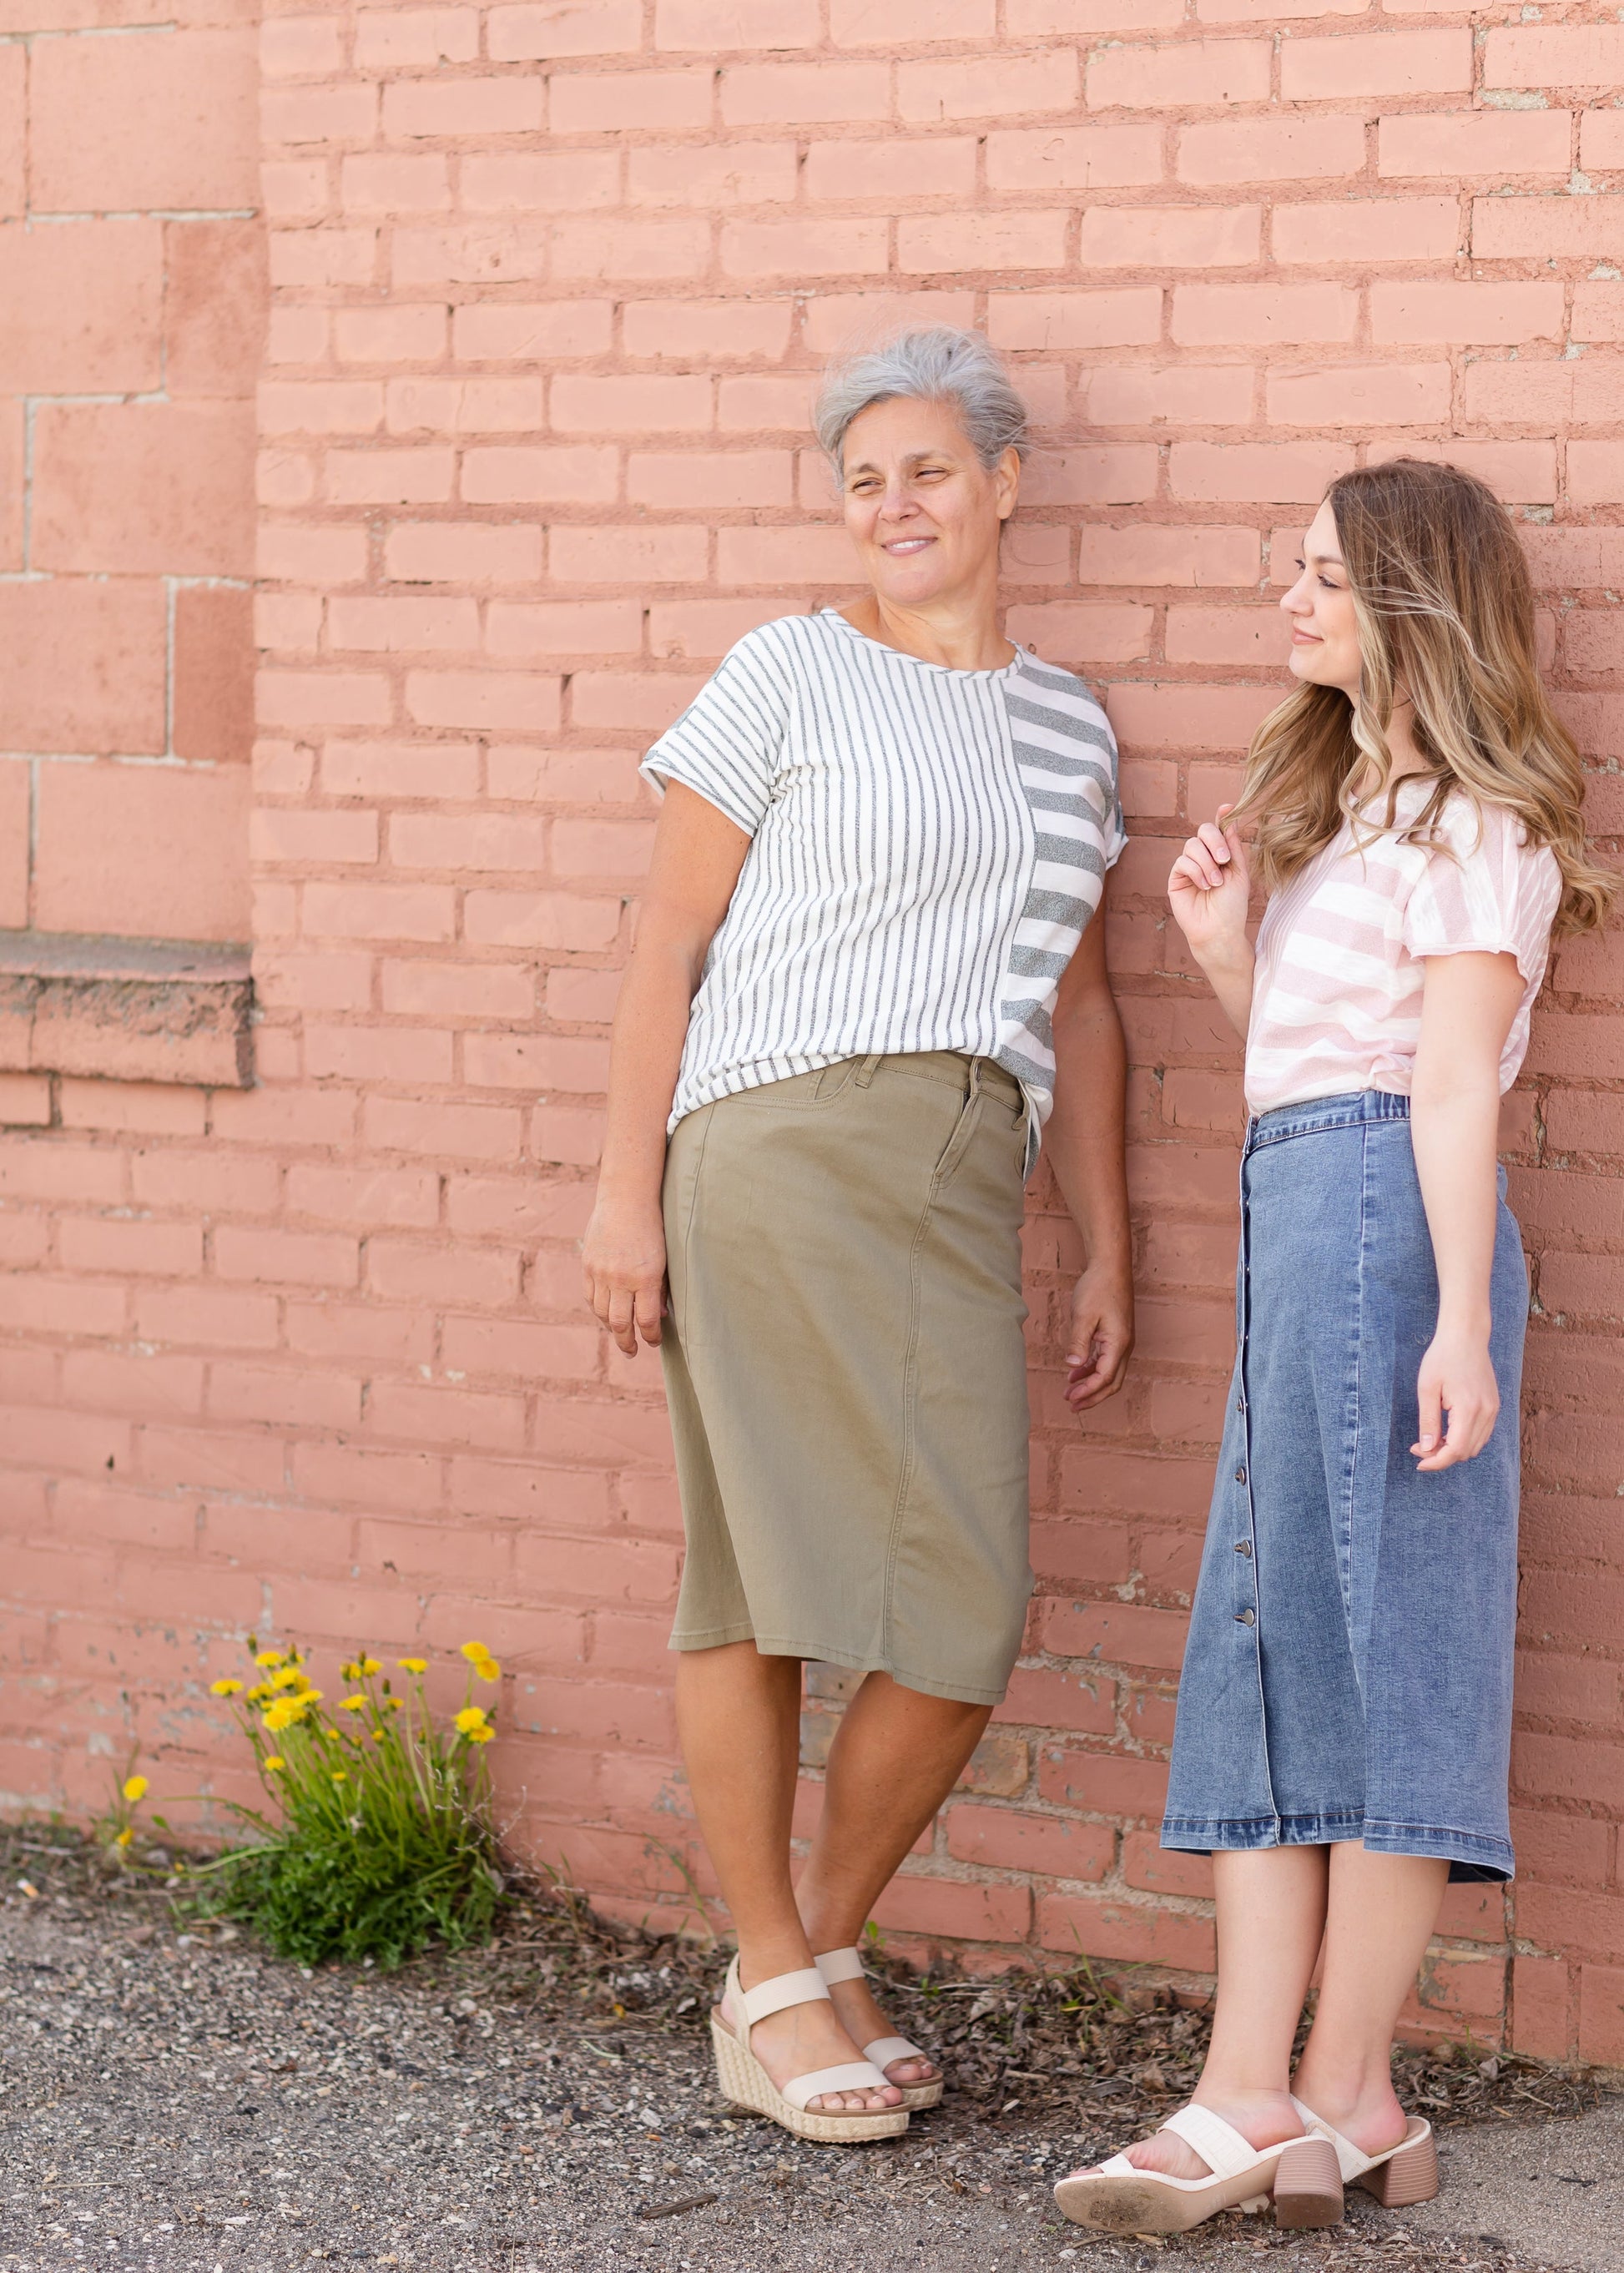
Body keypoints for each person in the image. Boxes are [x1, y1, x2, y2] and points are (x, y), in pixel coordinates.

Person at [581, 327, 1134, 2143]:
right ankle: (776, 1967)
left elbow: (1084, 1002)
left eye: (925, 470)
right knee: (755, 1578)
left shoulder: (1069, 725)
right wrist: (617, 1192)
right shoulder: (789, 673)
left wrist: (1108, 1241)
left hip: (968, 1174)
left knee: (959, 1610)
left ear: (1004, 486)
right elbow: (666, 939)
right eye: (862, 479)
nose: (892, 506)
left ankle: (798, 1959)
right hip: (780, 1142)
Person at [1056, 457, 1614, 2235]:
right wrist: (1228, 953)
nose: (1285, 602)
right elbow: (1302, 1062)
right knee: (1273, 1645)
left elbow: (1446, 1085)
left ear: (1410, 602)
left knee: (1384, 1654)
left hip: (1387, 1226)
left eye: (1319, 575)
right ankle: (1306, 2097)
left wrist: (1458, 1320)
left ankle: (1300, 2091)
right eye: (1284, 569)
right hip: (1305, 1215)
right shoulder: (1356, 816)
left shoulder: (1477, 825)